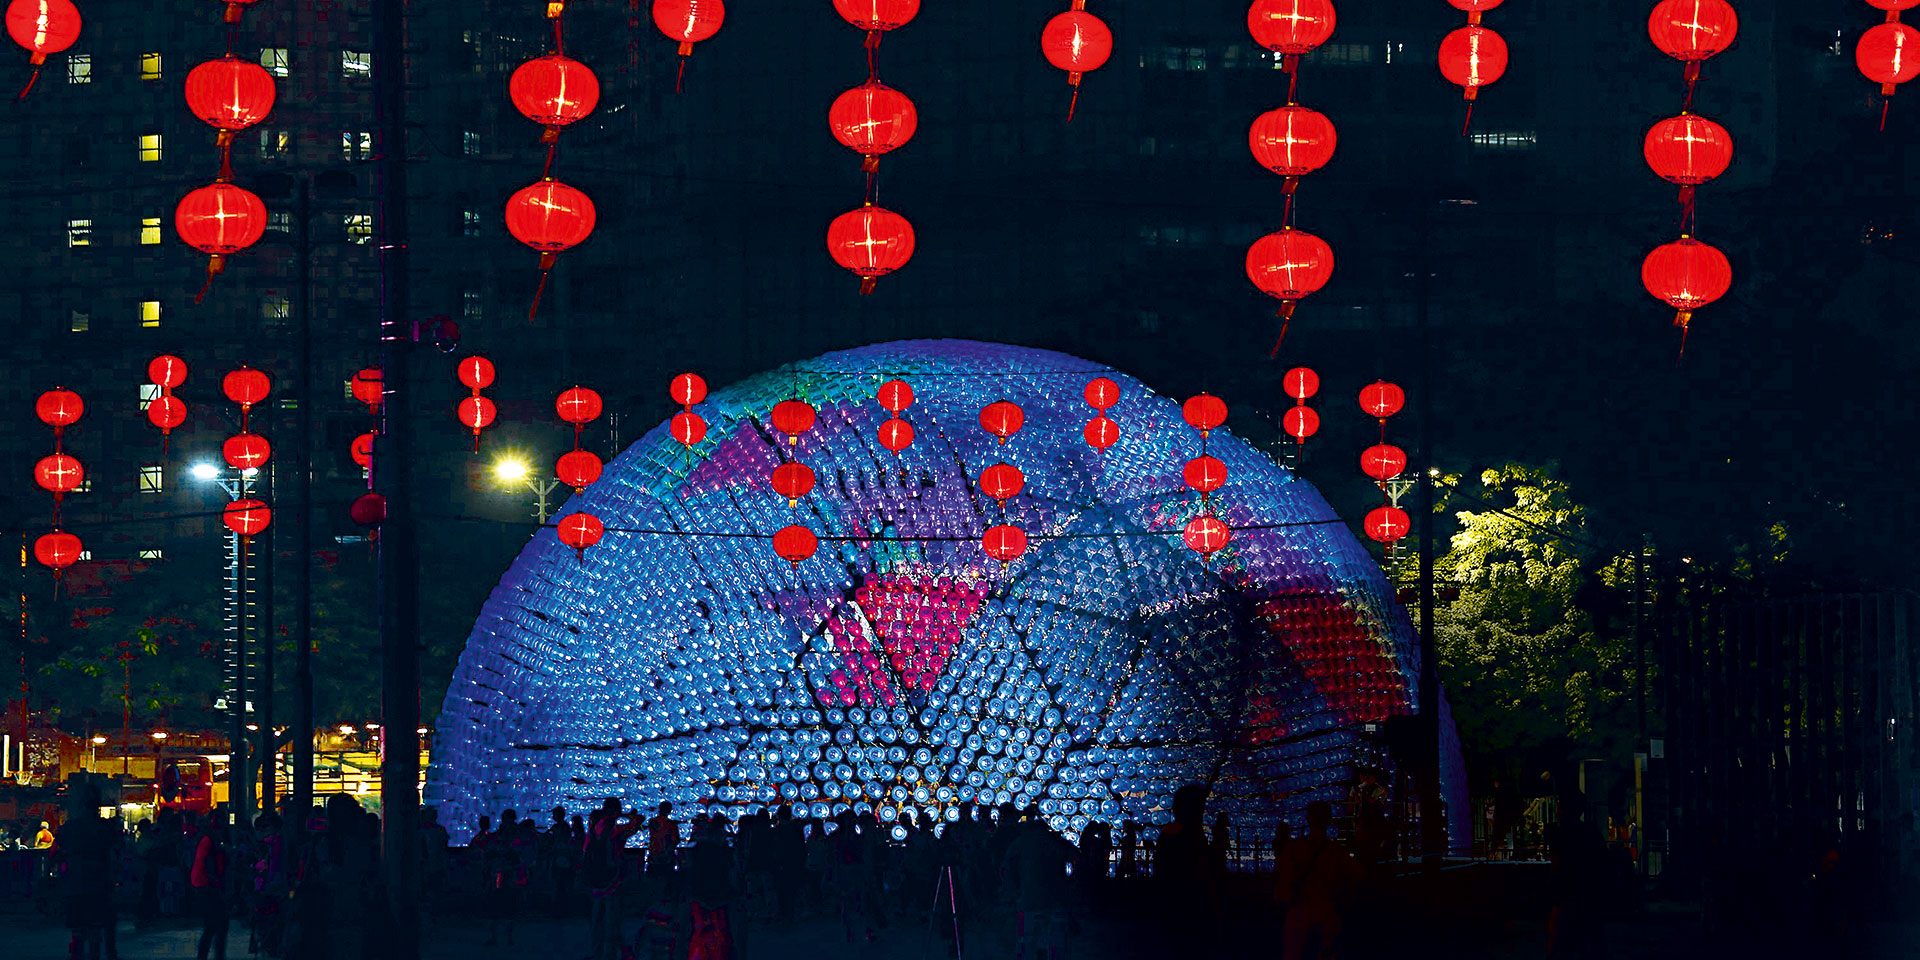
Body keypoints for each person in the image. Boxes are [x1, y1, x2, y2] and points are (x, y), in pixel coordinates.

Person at [1275, 801, 1359, 960]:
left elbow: (1282, 886)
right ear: (1329, 820)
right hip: (1325, 915)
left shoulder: (1293, 849)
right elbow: (1357, 876)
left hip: (1298, 917)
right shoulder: (1336, 852)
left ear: (1308, 819)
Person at [582, 799, 643, 960]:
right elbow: (636, 825)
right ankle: (609, 954)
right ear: (616, 810)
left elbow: (585, 851)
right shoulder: (615, 829)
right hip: (612, 879)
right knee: (611, 920)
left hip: (596, 879)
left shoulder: (594, 827)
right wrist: (631, 816)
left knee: (597, 919)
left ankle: (596, 952)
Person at [191, 816, 229, 960]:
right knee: (216, 924)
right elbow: (208, 863)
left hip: (205, 885)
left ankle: (210, 956)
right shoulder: (209, 840)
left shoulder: (207, 840)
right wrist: (217, 881)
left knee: (213, 925)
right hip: (207, 886)